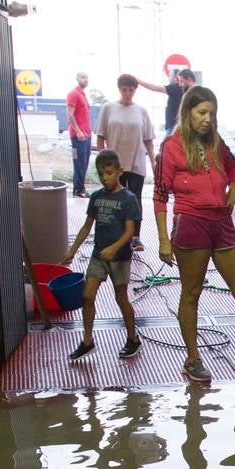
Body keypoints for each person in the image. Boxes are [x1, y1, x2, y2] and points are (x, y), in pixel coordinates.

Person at [153, 86, 235, 384]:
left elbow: (234, 167)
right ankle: (192, 358)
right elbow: (160, 196)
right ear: (187, 112)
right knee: (191, 293)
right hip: (190, 223)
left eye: (211, 113)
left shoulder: (216, 141)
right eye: (202, 113)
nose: (207, 119)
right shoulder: (171, 146)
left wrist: (233, 189)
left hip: (221, 223)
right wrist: (163, 239)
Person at [62, 150, 142, 363]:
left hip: (119, 257)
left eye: (108, 173)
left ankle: (133, 338)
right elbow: (87, 226)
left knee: (121, 298)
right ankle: (87, 341)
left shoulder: (128, 199)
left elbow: (129, 232)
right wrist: (72, 250)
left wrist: (115, 248)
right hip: (99, 255)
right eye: (100, 174)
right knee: (87, 296)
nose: (105, 178)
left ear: (119, 171)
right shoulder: (97, 197)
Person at [96, 74, 154, 252]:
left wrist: (153, 161)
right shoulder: (108, 108)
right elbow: (100, 136)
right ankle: (116, 236)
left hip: (136, 163)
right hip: (115, 165)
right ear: (119, 89)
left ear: (135, 91)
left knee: (134, 200)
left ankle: (135, 237)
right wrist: (103, 163)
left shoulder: (141, 111)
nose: (128, 93)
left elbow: (148, 139)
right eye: (124, 89)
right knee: (115, 199)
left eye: (131, 90)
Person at [141, 68, 196, 134]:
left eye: (181, 81)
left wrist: (139, 81)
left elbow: (154, 87)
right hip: (180, 129)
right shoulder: (186, 94)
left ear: (189, 80)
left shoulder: (178, 89)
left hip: (177, 129)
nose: (180, 84)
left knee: (166, 144)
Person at [65, 72, 93, 198]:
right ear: (77, 79)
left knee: (85, 162)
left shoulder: (83, 95)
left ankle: (80, 188)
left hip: (86, 134)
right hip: (78, 136)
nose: (85, 80)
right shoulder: (74, 94)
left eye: (87, 77)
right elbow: (70, 114)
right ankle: (78, 190)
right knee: (79, 163)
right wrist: (78, 131)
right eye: (83, 77)